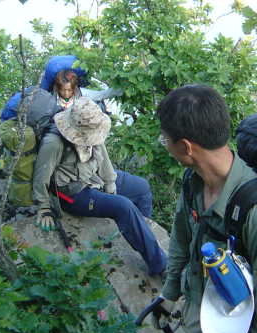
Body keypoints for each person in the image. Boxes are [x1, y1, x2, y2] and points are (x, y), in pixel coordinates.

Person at [153, 84, 257, 333]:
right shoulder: (193, 183)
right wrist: (169, 294)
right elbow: (182, 238)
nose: (164, 144)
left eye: (165, 138)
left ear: (186, 147)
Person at [31, 96, 167, 276]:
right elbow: (41, 177)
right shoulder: (53, 143)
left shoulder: (93, 128)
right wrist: (44, 207)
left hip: (94, 177)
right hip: (73, 193)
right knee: (123, 206)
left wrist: (110, 183)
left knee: (142, 188)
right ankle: (160, 265)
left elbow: (102, 157)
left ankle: (142, 234)